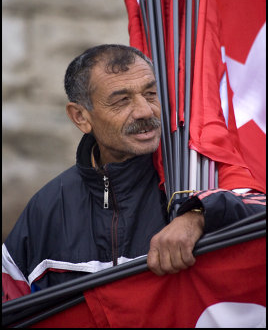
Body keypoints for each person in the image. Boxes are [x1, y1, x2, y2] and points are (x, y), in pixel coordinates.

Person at [2, 44, 265, 302]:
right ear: (80, 116)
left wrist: (198, 215)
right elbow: (12, 306)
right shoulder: (46, 208)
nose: (145, 111)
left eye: (151, 94)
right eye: (122, 100)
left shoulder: (201, 171)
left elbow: (257, 208)